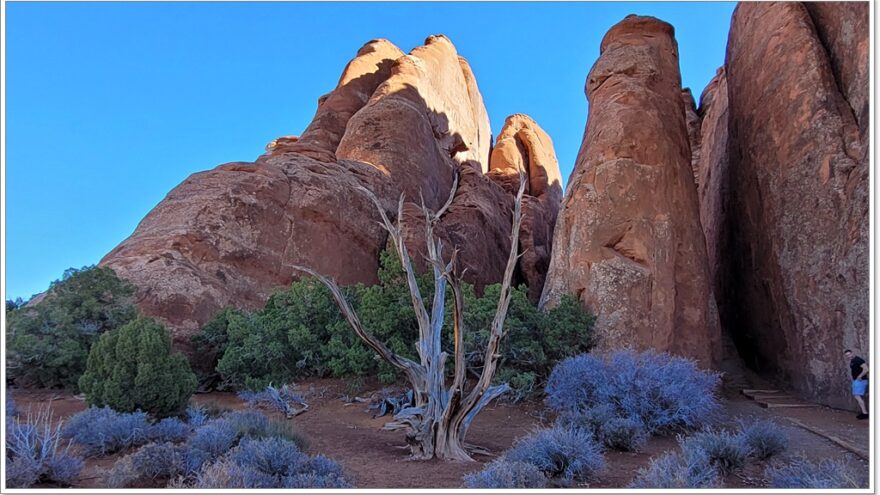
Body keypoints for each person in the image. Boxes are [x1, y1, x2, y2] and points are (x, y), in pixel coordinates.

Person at [844, 349, 869, 419]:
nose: (848, 356)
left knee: (857, 396)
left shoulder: (858, 360)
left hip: (860, 381)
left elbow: (866, 369)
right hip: (857, 381)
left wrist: (860, 376)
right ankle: (864, 412)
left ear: (852, 353)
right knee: (858, 396)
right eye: (847, 355)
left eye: (849, 354)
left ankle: (865, 413)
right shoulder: (853, 361)